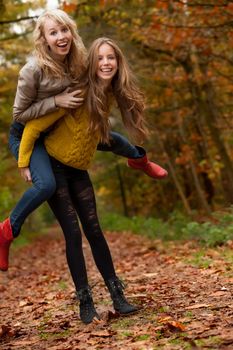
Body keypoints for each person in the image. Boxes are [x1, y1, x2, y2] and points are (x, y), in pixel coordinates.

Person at [0, 9, 167, 273]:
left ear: (72, 32)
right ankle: (7, 230)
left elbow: (95, 77)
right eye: (53, 32)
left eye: (64, 30)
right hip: (28, 133)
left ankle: (139, 159)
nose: (60, 36)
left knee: (110, 139)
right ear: (43, 39)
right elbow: (20, 116)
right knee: (46, 185)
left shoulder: (76, 60)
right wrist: (56, 102)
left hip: (62, 127)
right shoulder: (32, 70)